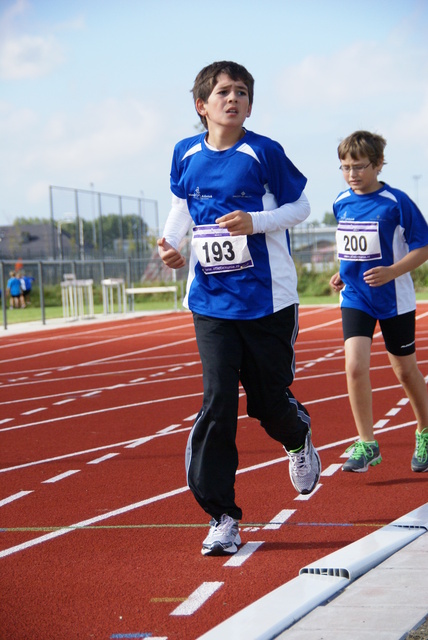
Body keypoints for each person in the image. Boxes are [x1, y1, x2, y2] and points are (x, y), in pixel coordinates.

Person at [157, 60, 321, 556]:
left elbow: (300, 209)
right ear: (202, 105)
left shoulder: (263, 152)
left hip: (268, 300)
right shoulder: (185, 153)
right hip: (210, 301)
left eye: (243, 92)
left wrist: (255, 221)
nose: (234, 99)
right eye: (224, 92)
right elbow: (181, 207)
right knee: (218, 403)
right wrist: (170, 244)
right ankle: (222, 516)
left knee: (269, 400)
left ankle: (297, 438)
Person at [329, 130, 428, 473]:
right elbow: (351, 245)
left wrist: (392, 271)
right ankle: (367, 442)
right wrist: (342, 272)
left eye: (358, 167)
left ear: (378, 164)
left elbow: (423, 248)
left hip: (393, 297)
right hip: (355, 296)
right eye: (345, 167)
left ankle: (425, 431)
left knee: (404, 370)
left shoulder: (397, 203)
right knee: (355, 366)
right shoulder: (341, 201)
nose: (351, 174)